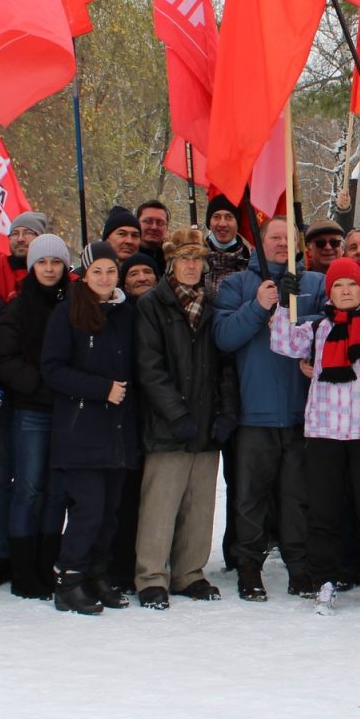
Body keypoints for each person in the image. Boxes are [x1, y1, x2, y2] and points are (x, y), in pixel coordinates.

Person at [271, 257, 360, 614]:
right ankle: (324, 582)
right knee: (324, 513)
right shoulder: (318, 329)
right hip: (324, 433)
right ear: (330, 292)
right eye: (338, 286)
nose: (345, 291)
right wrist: (285, 304)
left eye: (352, 285)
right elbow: (283, 342)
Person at [132, 227, 237, 608]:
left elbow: (226, 366)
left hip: (207, 422)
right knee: (161, 505)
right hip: (167, 425)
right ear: (171, 264)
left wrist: (226, 412)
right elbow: (150, 368)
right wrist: (175, 414)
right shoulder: (152, 305)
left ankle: (189, 572)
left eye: (198, 260)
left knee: (200, 505)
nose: (192, 266)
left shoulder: (211, 306)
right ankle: (151, 576)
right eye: (185, 260)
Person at [216, 220, 312, 601]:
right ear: (261, 243)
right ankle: (249, 568)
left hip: (301, 411)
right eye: (274, 237)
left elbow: (327, 329)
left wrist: (297, 316)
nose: (281, 244)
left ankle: (300, 568)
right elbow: (224, 337)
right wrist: (259, 305)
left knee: (296, 497)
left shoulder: (314, 283)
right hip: (253, 412)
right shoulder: (236, 285)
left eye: (288, 239)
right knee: (250, 497)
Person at [41, 243, 138, 615]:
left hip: (117, 429)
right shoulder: (68, 313)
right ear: (83, 274)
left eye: (111, 271)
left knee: (111, 510)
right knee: (89, 509)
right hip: (81, 428)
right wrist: (101, 390)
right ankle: (69, 579)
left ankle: (98, 575)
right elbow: (52, 368)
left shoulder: (125, 313)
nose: (104, 278)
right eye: (97, 271)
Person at [0, 233, 72, 598]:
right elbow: (2, 358)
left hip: (68, 411)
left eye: (55, 262)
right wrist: (39, 385)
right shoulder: (17, 308)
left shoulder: (76, 305)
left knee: (56, 492)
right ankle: (22, 570)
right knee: (29, 488)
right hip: (31, 410)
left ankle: (45, 565)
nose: (49, 269)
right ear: (32, 266)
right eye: (42, 262)